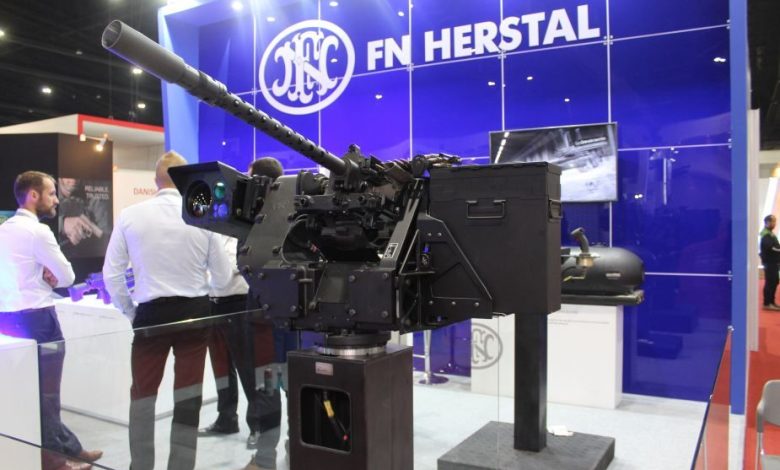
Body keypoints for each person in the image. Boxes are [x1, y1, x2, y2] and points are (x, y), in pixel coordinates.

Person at [102, 151, 233, 470]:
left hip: (150, 316)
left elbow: (112, 275)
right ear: (186, 181)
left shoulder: (130, 215)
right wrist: (204, 286)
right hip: (195, 314)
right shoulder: (202, 216)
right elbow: (223, 276)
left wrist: (131, 311)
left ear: (155, 181)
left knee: (142, 396)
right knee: (188, 396)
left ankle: (140, 466)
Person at [0, 171, 103, 470]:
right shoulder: (38, 232)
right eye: (51, 193)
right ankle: (56, 462)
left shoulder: (4, 230)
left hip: (7, 319)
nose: (57, 199)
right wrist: (50, 276)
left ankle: (69, 448)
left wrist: (43, 274)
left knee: (28, 393)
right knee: (47, 395)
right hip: (39, 319)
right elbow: (68, 277)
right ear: (33, 195)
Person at [199, 157, 283, 449]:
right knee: (223, 367)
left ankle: (260, 426)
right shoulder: (229, 218)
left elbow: (242, 265)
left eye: (249, 177)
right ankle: (227, 417)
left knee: (256, 372)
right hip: (216, 301)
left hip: (244, 304)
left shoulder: (268, 220)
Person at [761, 214, 780, 311]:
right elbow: (771, 248)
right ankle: (767, 303)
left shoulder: (770, 234)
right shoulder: (765, 235)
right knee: (770, 282)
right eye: (772, 221)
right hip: (769, 262)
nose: (774, 223)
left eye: (775, 221)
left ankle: (772, 302)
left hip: (774, 262)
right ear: (767, 222)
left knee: (775, 281)